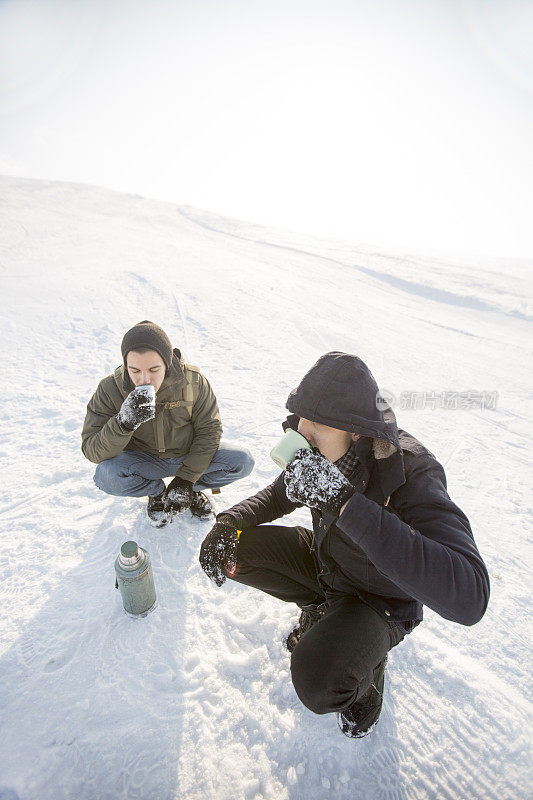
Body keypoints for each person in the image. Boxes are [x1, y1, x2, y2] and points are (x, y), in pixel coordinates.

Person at [199, 352, 490, 738]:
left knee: (318, 677)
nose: (304, 433)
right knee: (234, 547)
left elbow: (470, 596)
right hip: (329, 566)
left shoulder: (412, 471)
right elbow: (284, 491)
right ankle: (322, 610)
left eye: (319, 424)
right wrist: (230, 521)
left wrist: (346, 503)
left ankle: (365, 673)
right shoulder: (322, 452)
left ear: (356, 431)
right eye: (303, 419)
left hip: (380, 601)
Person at [81, 320, 254, 527]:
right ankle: (157, 493)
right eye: (134, 371)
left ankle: (191, 490)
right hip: (144, 460)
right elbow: (92, 451)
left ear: (167, 363)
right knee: (106, 476)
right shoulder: (110, 389)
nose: (144, 379)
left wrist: (186, 479)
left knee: (242, 461)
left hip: (187, 454)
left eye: (154, 369)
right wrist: (123, 424)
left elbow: (209, 430)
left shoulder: (193, 381)